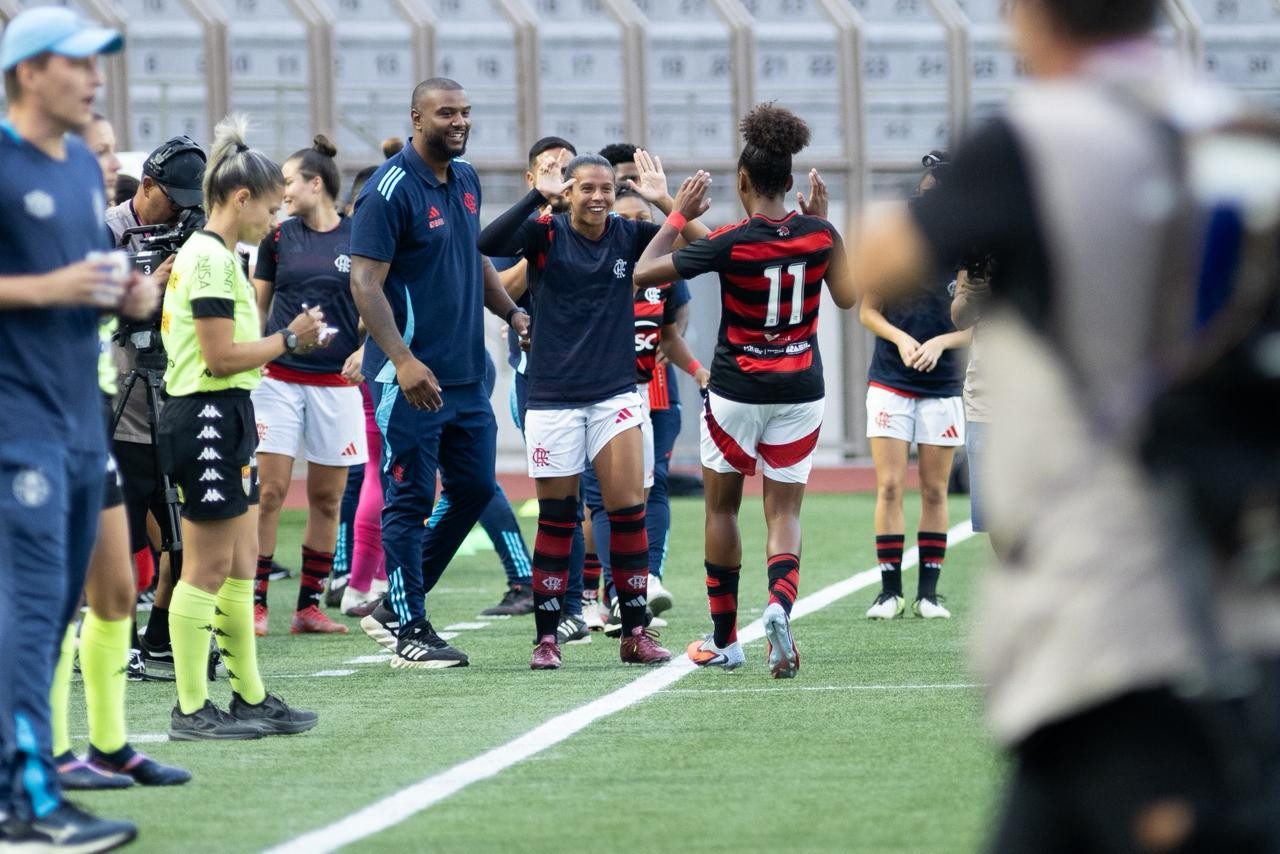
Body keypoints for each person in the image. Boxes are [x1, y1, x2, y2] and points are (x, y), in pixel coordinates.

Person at [847, 0, 1280, 848]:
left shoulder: (1031, 140)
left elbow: (877, 261)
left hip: (1106, 580)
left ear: (1031, 19)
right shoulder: (1244, 133)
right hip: (1233, 541)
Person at [0, 7, 157, 849]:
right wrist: (54, 286)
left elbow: (78, 287)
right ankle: (26, 805)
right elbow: (44, 284)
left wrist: (124, 298)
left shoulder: (72, 173)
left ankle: (18, 788)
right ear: (30, 72)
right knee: (29, 613)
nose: (97, 79)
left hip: (76, 424)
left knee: (54, 615)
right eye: (81, 64)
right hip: (13, 426)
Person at [635, 103, 854, 679]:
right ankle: (779, 606)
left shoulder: (731, 240)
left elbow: (643, 272)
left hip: (736, 392)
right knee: (783, 511)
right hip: (802, 390)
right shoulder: (820, 233)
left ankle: (726, 638)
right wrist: (826, 222)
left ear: (742, 181)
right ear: (790, 181)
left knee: (722, 508)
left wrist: (674, 214)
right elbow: (850, 297)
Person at [478, 151, 711, 669]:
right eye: (587, 188)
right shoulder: (546, 233)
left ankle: (634, 631)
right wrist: (537, 195)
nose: (600, 197)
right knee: (558, 520)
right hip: (553, 397)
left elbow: (710, 248)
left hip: (615, 395)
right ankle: (547, 638)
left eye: (607, 188)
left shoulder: (630, 236)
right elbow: (488, 244)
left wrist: (666, 203)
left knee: (628, 512)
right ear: (568, 193)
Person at [351, 78, 530, 670]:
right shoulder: (389, 189)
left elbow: (474, 255)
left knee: (475, 488)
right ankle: (410, 627)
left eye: (465, 112)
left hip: (464, 376)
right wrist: (402, 361)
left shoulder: (469, 178)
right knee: (407, 498)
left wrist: (510, 310)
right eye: (445, 113)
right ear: (416, 117)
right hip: (409, 380)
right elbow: (365, 284)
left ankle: (394, 606)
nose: (458, 122)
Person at [158, 114, 322, 740]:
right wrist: (289, 338)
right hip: (202, 410)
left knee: (239, 566)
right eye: (273, 209)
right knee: (204, 567)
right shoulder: (206, 258)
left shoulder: (223, 255)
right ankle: (191, 709)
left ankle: (248, 696)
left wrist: (283, 343)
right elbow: (220, 355)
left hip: (228, 411)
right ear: (242, 197)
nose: (277, 221)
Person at [43, 114, 191, 794]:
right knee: (48, 594)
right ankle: (43, 753)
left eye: (109, 152)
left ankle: (108, 745)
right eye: (96, 152)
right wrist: (128, 297)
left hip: (97, 411)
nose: (109, 165)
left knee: (113, 588)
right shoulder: (51, 218)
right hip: (44, 421)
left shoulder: (80, 215)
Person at [250, 134, 365, 637]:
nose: (283, 189)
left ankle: (308, 607)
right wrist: (254, 353)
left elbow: (376, 304)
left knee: (326, 499)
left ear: (315, 184)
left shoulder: (359, 237)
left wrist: (367, 349)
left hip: (337, 385)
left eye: (289, 180)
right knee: (269, 492)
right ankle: (253, 603)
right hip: (276, 380)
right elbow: (257, 305)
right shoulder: (278, 237)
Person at [580, 187, 708, 639]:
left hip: (639, 396)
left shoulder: (662, 279)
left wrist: (696, 370)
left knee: (642, 494)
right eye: (627, 218)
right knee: (593, 500)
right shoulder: (597, 269)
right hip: (590, 396)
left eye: (643, 219)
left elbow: (669, 333)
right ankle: (592, 595)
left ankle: (637, 585)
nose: (637, 229)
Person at [105, 133, 208, 679]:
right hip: (120, 397)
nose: (184, 209)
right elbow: (86, 314)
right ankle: (110, 639)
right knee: (119, 531)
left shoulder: (195, 231)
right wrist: (152, 278)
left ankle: (161, 636)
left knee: (189, 527)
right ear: (147, 185)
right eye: (176, 197)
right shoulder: (105, 231)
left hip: (179, 391)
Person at [861, 154, 971, 621]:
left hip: (944, 385)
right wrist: (902, 338)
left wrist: (943, 341)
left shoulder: (973, 251)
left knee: (934, 490)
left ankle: (929, 593)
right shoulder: (897, 244)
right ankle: (889, 592)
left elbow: (985, 322)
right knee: (889, 485)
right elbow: (868, 309)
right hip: (890, 379)